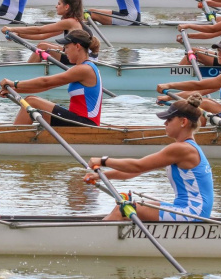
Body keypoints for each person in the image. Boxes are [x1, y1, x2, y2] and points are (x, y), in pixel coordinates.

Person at [85, 94, 213, 221]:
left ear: (183, 122)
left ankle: (93, 239)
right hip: (188, 209)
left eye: (169, 119)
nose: (165, 123)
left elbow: (137, 165)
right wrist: (100, 176)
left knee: (122, 209)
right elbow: (135, 171)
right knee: (129, 207)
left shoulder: (182, 149)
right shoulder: (184, 148)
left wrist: (103, 161)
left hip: (192, 212)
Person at [0, 30, 103, 126]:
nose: (64, 52)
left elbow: (45, 82)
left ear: (77, 46)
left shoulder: (84, 69)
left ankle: (16, 139)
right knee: (32, 100)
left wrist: (14, 83)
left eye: (66, 47)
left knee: (31, 102)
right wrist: (14, 91)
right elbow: (45, 87)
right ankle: (18, 136)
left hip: (86, 124)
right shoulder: (82, 68)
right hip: (77, 119)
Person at [156, 36, 221, 128]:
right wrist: (170, 97)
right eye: (218, 50)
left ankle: (195, 136)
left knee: (204, 103)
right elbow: (198, 91)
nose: (219, 54)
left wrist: (169, 85)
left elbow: (198, 85)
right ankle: (196, 133)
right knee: (200, 100)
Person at [0, 0, 97, 65]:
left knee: (43, 47)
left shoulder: (70, 22)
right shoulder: (73, 22)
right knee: (42, 44)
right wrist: (18, 35)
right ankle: (32, 68)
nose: (56, 6)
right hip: (81, 55)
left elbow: (40, 30)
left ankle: (27, 72)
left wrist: (11, 28)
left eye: (59, 4)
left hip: (81, 59)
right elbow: (43, 35)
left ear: (67, 7)